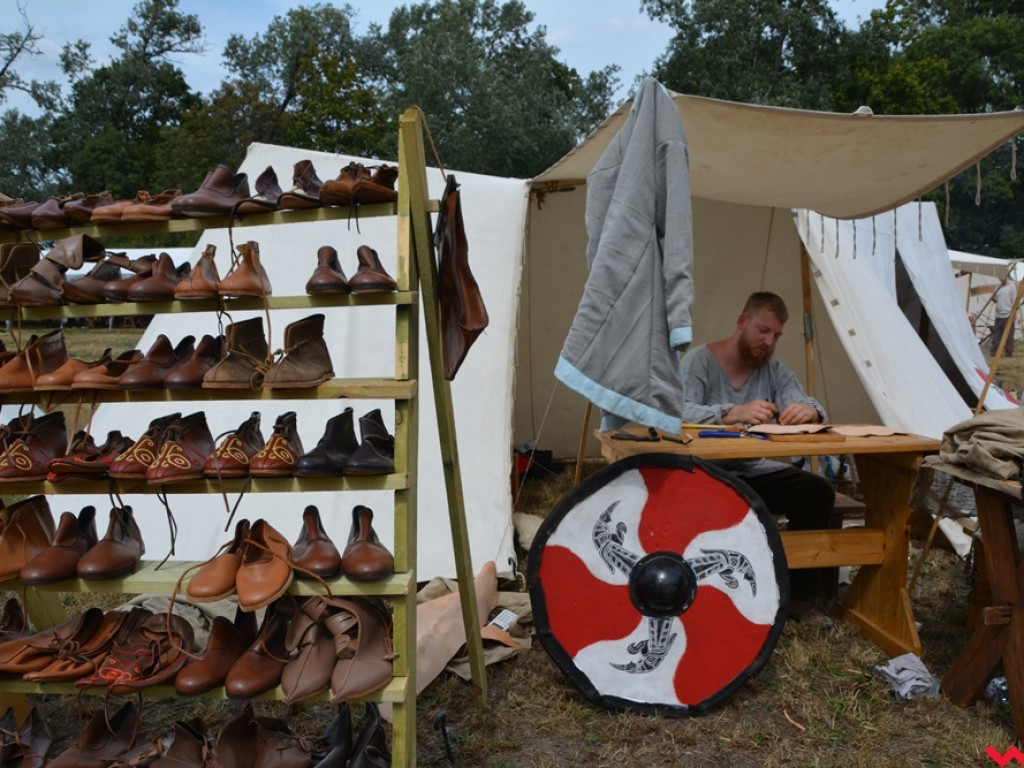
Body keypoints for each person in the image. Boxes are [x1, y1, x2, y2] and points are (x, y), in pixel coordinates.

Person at [678, 291, 838, 623]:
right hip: (707, 473)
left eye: (776, 335)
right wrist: (731, 412)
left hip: (753, 470)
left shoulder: (774, 371)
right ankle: (717, 594)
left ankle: (799, 598)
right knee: (734, 502)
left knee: (816, 491)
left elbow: (807, 402)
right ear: (742, 322)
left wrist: (809, 410)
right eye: (763, 331)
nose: (768, 341)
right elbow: (675, 411)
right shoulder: (699, 361)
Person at [990, 278, 1017, 358]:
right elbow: (996, 299)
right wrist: (993, 299)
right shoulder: (998, 287)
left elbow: (1015, 300)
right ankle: (993, 353)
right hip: (998, 315)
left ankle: (1008, 353)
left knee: (1008, 336)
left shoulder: (1012, 287)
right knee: (996, 335)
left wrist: (1013, 313)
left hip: (1008, 315)